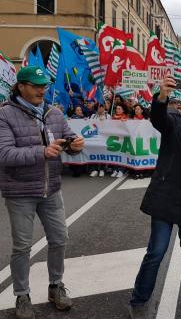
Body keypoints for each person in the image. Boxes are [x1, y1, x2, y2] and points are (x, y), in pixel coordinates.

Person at [0, 66, 84, 319]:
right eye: (36, 85)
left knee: (59, 239)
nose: (41, 90)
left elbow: (67, 140)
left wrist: (75, 145)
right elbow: (4, 154)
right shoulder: (4, 114)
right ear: (20, 86)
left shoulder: (55, 112)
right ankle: (22, 295)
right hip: (20, 191)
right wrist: (42, 152)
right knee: (22, 247)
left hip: (51, 188)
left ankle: (55, 286)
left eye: (44, 85)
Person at [128, 76, 181, 317]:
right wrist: (162, 95)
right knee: (156, 250)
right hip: (165, 196)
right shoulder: (175, 122)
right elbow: (158, 117)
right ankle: (139, 299)